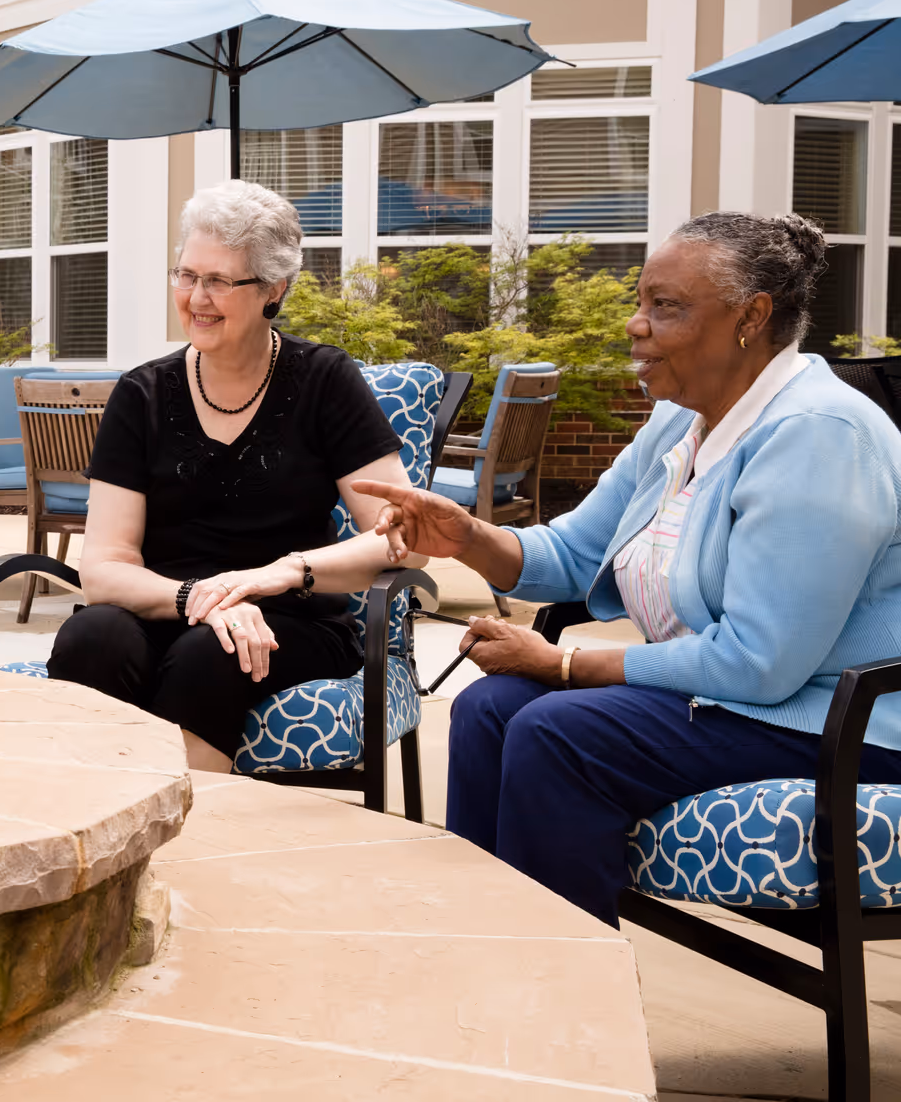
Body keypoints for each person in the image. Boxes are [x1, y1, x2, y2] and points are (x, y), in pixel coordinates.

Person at [359, 211, 901, 926]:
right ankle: (495, 966)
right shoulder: (682, 421)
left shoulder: (819, 435)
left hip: (835, 723)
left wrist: (564, 667)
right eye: (640, 301)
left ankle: (573, 1007)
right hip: (734, 704)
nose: (635, 325)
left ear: (751, 317)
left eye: (665, 307)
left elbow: (760, 662)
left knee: (560, 733)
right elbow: (574, 553)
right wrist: (466, 536)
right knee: (488, 710)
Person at [47, 179, 414, 773]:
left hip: (293, 617)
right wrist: (199, 598)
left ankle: (196, 848)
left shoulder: (323, 380)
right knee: (92, 638)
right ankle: (95, 832)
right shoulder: (141, 394)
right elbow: (105, 568)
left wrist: (280, 574)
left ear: (274, 289)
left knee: (213, 652)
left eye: (218, 280)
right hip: (167, 605)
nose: (196, 297)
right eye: (186, 275)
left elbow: (401, 536)